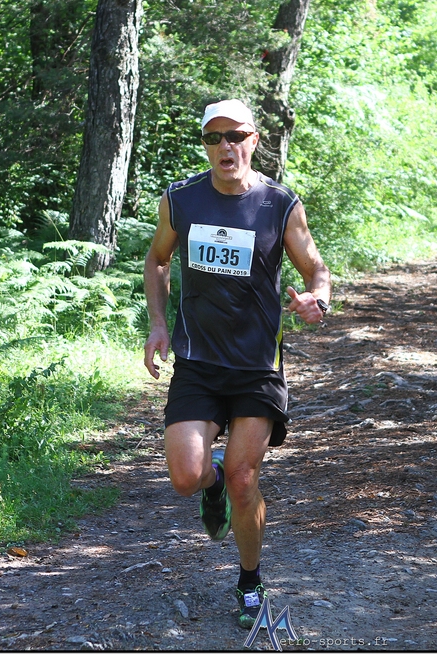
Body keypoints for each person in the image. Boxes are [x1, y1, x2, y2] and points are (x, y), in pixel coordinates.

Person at [143, 99, 331, 630]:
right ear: (206, 145)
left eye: (236, 135)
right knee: (186, 477)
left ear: (254, 140)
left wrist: (318, 299)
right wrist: (158, 322)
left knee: (245, 481)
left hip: (255, 367)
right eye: (214, 137)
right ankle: (213, 482)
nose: (225, 146)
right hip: (198, 362)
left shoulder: (279, 204)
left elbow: (317, 269)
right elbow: (157, 259)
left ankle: (250, 581)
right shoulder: (181, 199)